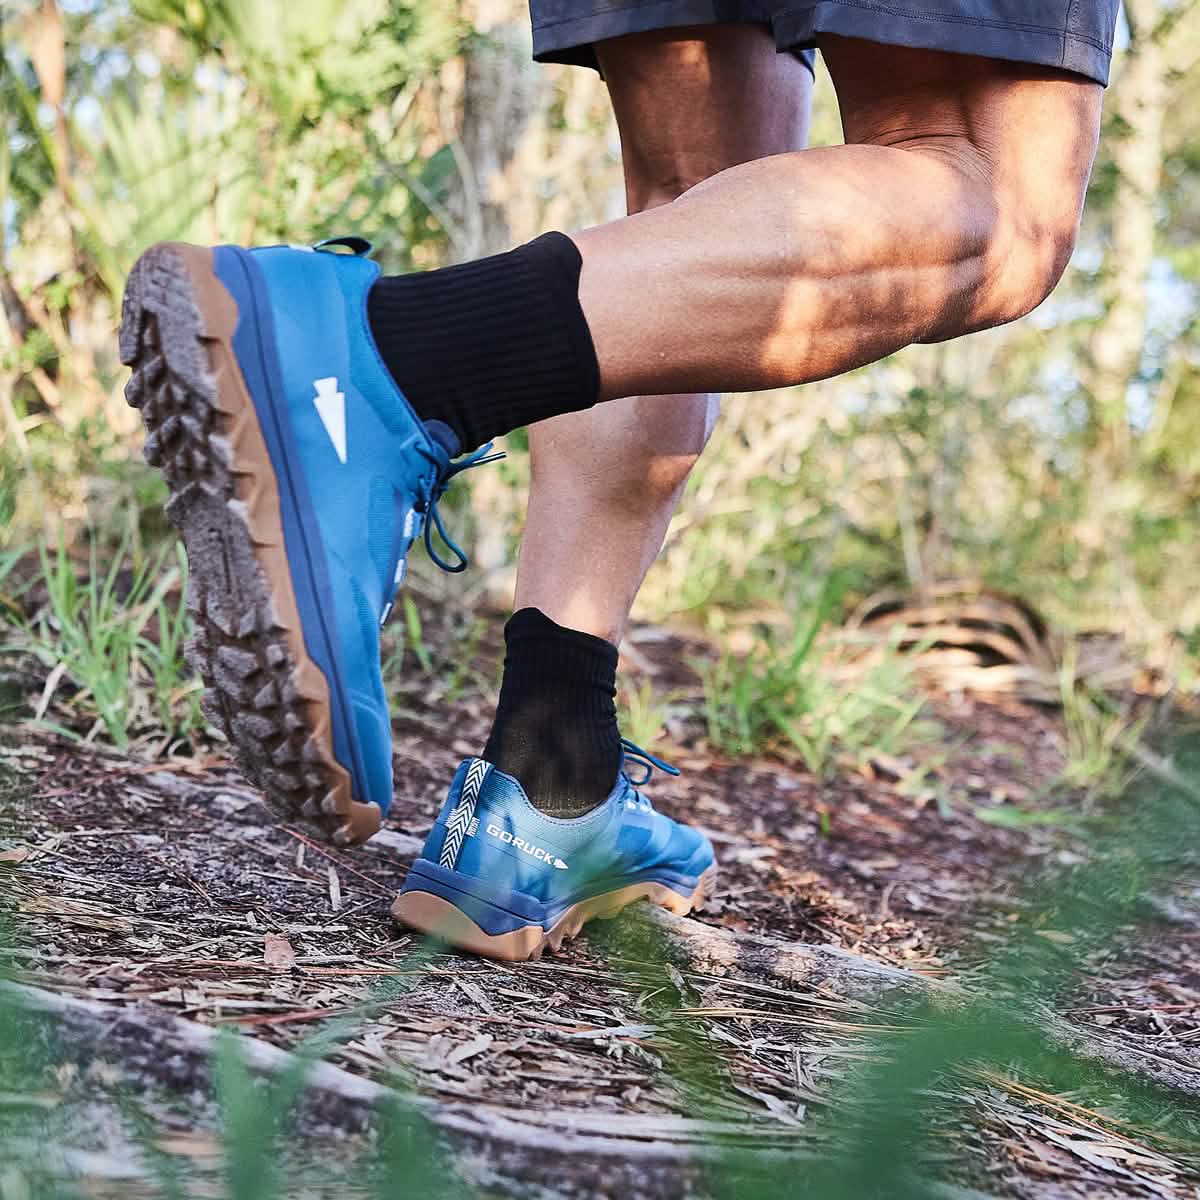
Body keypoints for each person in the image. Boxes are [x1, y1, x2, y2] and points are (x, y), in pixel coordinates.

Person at [119, 2, 1119, 961]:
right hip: (373, 358)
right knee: (992, 201)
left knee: (689, 222)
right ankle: (385, 363)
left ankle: (550, 775)